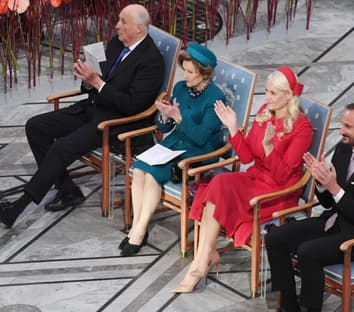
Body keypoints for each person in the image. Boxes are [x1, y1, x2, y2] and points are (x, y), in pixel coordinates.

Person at [0, 4, 164, 228]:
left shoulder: (151, 62)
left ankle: (18, 207)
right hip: (94, 108)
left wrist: (97, 82)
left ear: (138, 28)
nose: (116, 26)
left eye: (122, 22)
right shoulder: (118, 42)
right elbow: (101, 77)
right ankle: (68, 191)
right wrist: (88, 80)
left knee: (61, 148)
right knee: (36, 126)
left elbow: (132, 105)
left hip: (115, 123)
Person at [172, 66, 313, 293]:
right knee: (219, 184)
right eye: (266, 91)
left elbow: (283, 175)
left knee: (218, 193)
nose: (266, 97)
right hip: (255, 178)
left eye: (273, 93)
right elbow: (247, 157)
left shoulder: (302, 127)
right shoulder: (265, 111)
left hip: (279, 190)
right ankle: (206, 255)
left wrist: (269, 148)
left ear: (289, 95)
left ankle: (200, 263)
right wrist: (233, 127)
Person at [265, 102, 354, 312]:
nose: (341, 131)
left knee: (308, 252)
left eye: (347, 126)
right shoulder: (344, 149)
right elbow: (328, 202)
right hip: (335, 221)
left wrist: (334, 188)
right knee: (275, 237)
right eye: (341, 124)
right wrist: (321, 182)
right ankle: (289, 306)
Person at [118, 43, 226, 257]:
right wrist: (165, 116)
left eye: (190, 72)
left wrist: (179, 118)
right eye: (184, 70)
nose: (185, 76)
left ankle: (138, 232)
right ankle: (138, 228)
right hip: (173, 145)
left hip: (197, 151)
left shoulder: (215, 98)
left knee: (151, 177)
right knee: (139, 170)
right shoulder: (180, 88)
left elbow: (202, 136)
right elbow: (164, 127)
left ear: (204, 74)